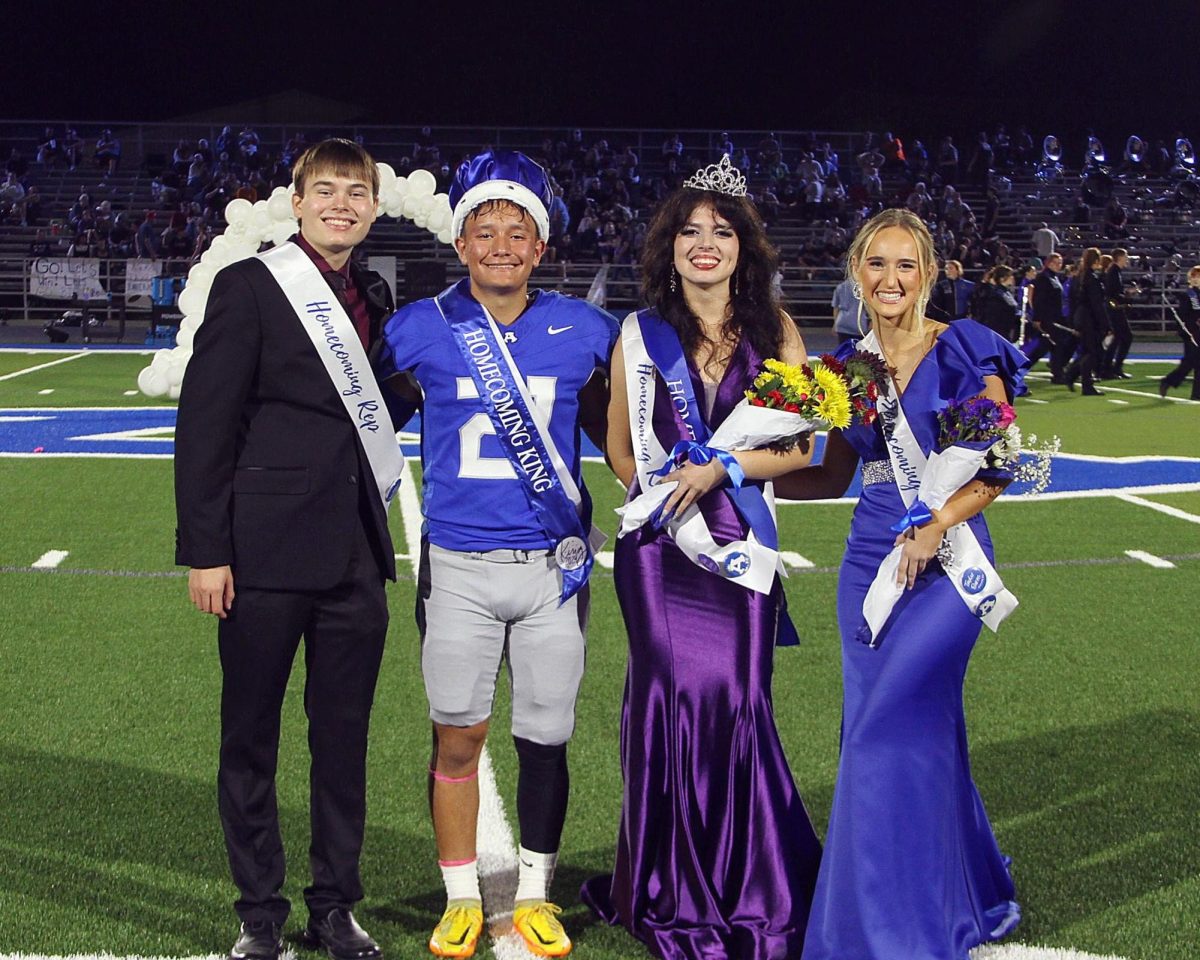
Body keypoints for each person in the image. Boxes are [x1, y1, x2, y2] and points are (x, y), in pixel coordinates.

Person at [377, 150, 618, 959]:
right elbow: (368, 423)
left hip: (553, 569)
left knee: (546, 737)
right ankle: (458, 894)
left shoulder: (585, 331)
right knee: (457, 737)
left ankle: (538, 891)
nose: (503, 244)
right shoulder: (421, 328)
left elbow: (619, 437)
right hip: (461, 567)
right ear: (463, 242)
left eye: (519, 231)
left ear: (541, 246)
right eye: (487, 230)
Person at [581, 157, 822, 959]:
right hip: (661, 554)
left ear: (744, 247)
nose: (705, 244)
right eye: (690, 231)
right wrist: (662, 496)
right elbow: (619, 449)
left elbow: (800, 449)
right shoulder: (638, 334)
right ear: (670, 248)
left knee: (742, 701)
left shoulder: (775, 331)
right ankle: (668, 883)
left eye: (721, 231)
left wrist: (722, 472)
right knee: (672, 702)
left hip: (743, 545)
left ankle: (749, 881)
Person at [774, 208, 1025, 960]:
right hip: (869, 568)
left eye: (905, 265)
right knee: (912, 733)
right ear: (858, 273)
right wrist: (750, 489)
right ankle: (965, 893)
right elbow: (830, 471)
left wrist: (939, 520)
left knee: (885, 733)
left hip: (946, 569)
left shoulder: (965, 346)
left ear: (928, 273)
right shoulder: (848, 368)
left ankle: (886, 930)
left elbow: (1000, 465)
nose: (890, 279)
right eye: (876, 264)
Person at [174, 139, 402, 960]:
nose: (342, 204)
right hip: (261, 555)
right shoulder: (250, 285)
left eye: (357, 192)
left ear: (373, 207)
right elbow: (204, 424)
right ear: (297, 201)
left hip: (353, 559)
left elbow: (369, 415)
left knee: (342, 742)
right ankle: (260, 915)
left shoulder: (374, 292)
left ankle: (335, 906)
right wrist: (206, 550)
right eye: (326, 190)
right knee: (251, 738)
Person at [1064, 246, 1110, 395]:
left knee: (1088, 351)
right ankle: (1085, 384)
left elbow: (1072, 300)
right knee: (1093, 352)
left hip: (1080, 317)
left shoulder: (1079, 277)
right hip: (1090, 319)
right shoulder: (1092, 279)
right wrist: (1105, 324)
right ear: (1096, 261)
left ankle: (1072, 375)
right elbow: (1097, 304)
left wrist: (1073, 320)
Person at [1160, 265, 1200, 400]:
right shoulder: (1189, 294)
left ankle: (1196, 394)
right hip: (1191, 332)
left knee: (1193, 362)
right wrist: (1194, 322)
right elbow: (1184, 315)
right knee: (1191, 362)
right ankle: (1169, 381)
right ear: (1192, 279)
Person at [1026, 253, 1065, 374]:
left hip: (1055, 316)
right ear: (1049, 263)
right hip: (1047, 317)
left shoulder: (1054, 277)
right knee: (1047, 346)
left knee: (1051, 345)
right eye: (1056, 263)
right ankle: (1057, 373)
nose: (1059, 265)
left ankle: (1057, 371)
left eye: (1060, 263)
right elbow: (1039, 300)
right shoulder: (1043, 278)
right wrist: (1037, 318)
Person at [1102, 247, 1134, 378]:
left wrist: (1126, 294)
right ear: (1120, 257)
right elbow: (1112, 294)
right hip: (1114, 310)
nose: (1127, 259)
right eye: (1125, 256)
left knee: (1120, 338)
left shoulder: (1116, 271)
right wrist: (1127, 296)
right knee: (1123, 337)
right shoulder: (1114, 271)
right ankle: (1110, 368)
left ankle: (1112, 368)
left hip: (1115, 309)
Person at [832, 274, 862, 342]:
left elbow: (836, 307)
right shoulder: (863, 288)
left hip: (842, 324)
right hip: (858, 325)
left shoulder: (840, 287)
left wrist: (835, 323)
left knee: (844, 350)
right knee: (859, 350)